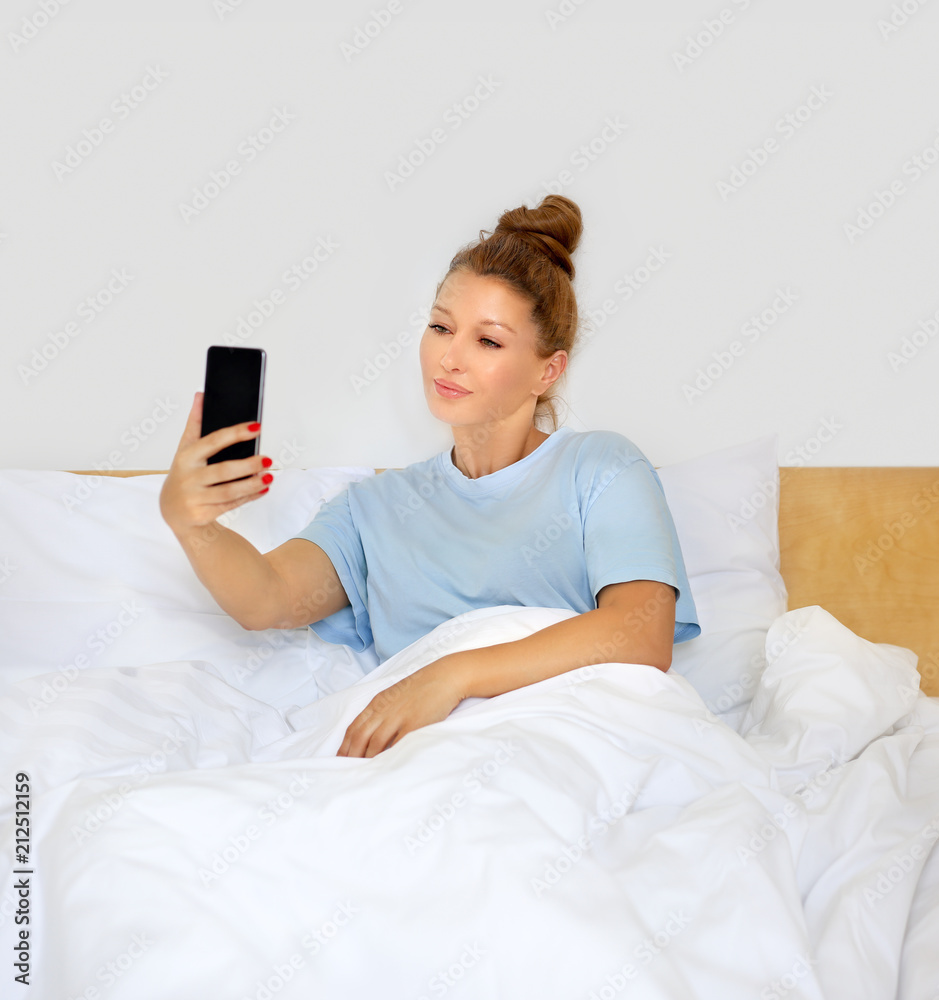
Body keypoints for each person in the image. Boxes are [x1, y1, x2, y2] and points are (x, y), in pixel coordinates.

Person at [159, 194, 699, 761]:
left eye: (487, 341)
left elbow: (642, 633)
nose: (450, 358)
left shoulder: (602, 467)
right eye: (441, 327)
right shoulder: (375, 508)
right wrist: (191, 524)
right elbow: (265, 599)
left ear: (549, 369)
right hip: (426, 764)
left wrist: (452, 675)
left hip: (560, 747)